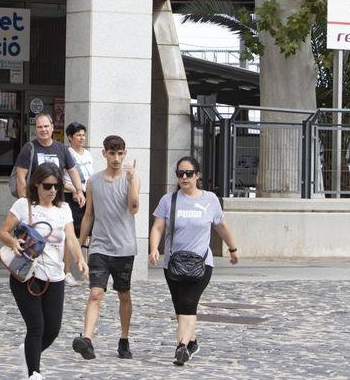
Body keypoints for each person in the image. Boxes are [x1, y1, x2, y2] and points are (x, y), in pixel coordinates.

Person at [148, 155, 240, 367]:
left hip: (201, 263)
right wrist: (154, 248)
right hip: (173, 263)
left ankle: (181, 347)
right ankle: (192, 342)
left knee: (189, 302)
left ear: (197, 175)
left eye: (189, 173)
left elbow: (221, 226)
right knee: (180, 305)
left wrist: (233, 248)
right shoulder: (168, 200)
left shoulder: (209, 200)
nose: (185, 177)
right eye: (180, 174)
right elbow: (158, 227)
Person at [0, 164, 87, 380]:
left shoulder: (63, 209)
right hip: (27, 275)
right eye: (47, 186)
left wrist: (80, 259)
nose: (52, 190)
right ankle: (34, 373)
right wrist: (13, 241)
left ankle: (28, 352)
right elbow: (3, 232)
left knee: (53, 329)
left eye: (56, 186)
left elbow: (71, 238)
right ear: (36, 184)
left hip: (55, 276)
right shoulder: (23, 205)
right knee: (36, 326)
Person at [72, 134, 140, 361]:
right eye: (112, 153)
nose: (116, 158)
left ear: (125, 154)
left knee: (124, 295)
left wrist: (131, 181)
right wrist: (79, 245)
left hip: (124, 248)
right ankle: (87, 339)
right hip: (99, 246)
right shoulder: (93, 181)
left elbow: (134, 208)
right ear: (104, 154)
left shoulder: (132, 179)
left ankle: (124, 338)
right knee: (95, 293)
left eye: (120, 153)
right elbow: (88, 215)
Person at [13, 114, 85, 211]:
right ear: (35, 129)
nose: (43, 129)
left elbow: (72, 171)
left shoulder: (62, 148)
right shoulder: (28, 148)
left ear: (52, 127)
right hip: (34, 202)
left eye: (46, 126)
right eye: (40, 127)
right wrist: (25, 202)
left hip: (57, 202)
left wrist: (79, 191)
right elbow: (20, 178)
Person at [61, 121, 93, 286]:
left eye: (83, 135)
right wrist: (73, 189)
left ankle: (86, 270)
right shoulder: (66, 154)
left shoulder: (88, 154)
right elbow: (59, 179)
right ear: (70, 137)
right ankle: (66, 271)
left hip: (87, 196)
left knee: (88, 235)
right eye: (78, 135)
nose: (81, 138)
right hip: (70, 196)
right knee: (70, 236)